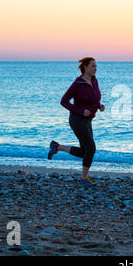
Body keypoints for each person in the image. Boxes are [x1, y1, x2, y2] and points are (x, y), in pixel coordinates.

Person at [48, 57, 105, 187]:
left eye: (96, 66)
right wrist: (80, 111)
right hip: (77, 119)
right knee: (91, 148)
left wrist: (99, 106)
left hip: (88, 120)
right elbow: (64, 101)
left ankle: (57, 147)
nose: (95, 69)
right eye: (93, 66)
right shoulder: (77, 83)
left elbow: (95, 99)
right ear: (85, 67)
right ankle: (84, 179)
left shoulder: (94, 81)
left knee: (84, 152)